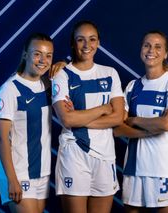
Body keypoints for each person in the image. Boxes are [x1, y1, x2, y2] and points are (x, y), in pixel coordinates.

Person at [52, 20, 124, 213]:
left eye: (92, 39)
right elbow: (67, 120)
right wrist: (103, 108)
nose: (87, 45)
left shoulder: (110, 74)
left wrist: (79, 117)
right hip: (74, 153)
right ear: (73, 44)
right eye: (80, 40)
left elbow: (118, 118)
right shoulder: (62, 75)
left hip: (105, 156)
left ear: (98, 42)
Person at [113, 30, 168, 213]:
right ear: (141, 50)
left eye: (158, 46)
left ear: (166, 54)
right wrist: (146, 131)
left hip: (164, 170)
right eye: (147, 45)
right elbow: (117, 128)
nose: (151, 50)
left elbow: (167, 123)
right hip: (134, 169)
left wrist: (134, 120)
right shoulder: (132, 87)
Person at [0, 33, 53, 213]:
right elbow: (2, 138)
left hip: (42, 173)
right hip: (19, 173)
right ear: (25, 54)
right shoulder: (9, 90)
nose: (43, 60)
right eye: (37, 54)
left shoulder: (46, 86)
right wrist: (12, 180)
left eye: (48, 55)